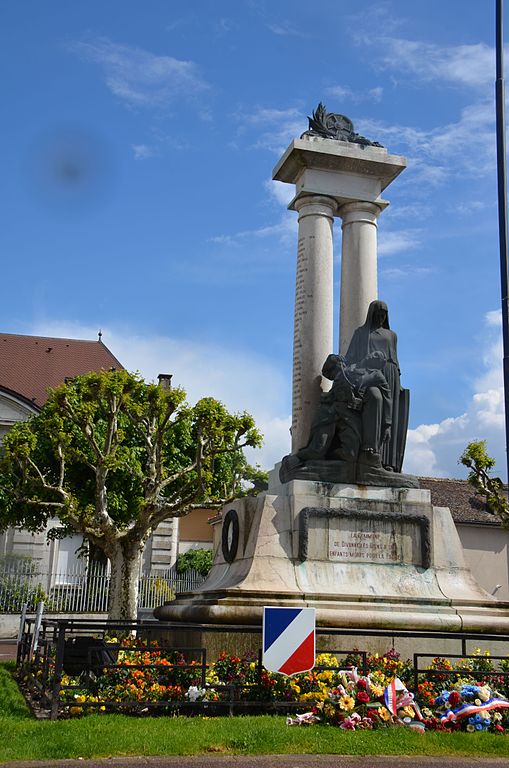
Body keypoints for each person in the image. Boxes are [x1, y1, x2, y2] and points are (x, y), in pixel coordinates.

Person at [345, 300, 407, 472]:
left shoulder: (392, 335)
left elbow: (395, 358)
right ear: (371, 314)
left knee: (391, 416)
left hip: (391, 374)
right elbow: (350, 357)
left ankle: (389, 462)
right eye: (378, 314)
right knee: (376, 407)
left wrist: (398, 380)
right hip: (369, 373)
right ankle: (371, 453)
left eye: (384, 314)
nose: (381, 317)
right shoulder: (361, 333)